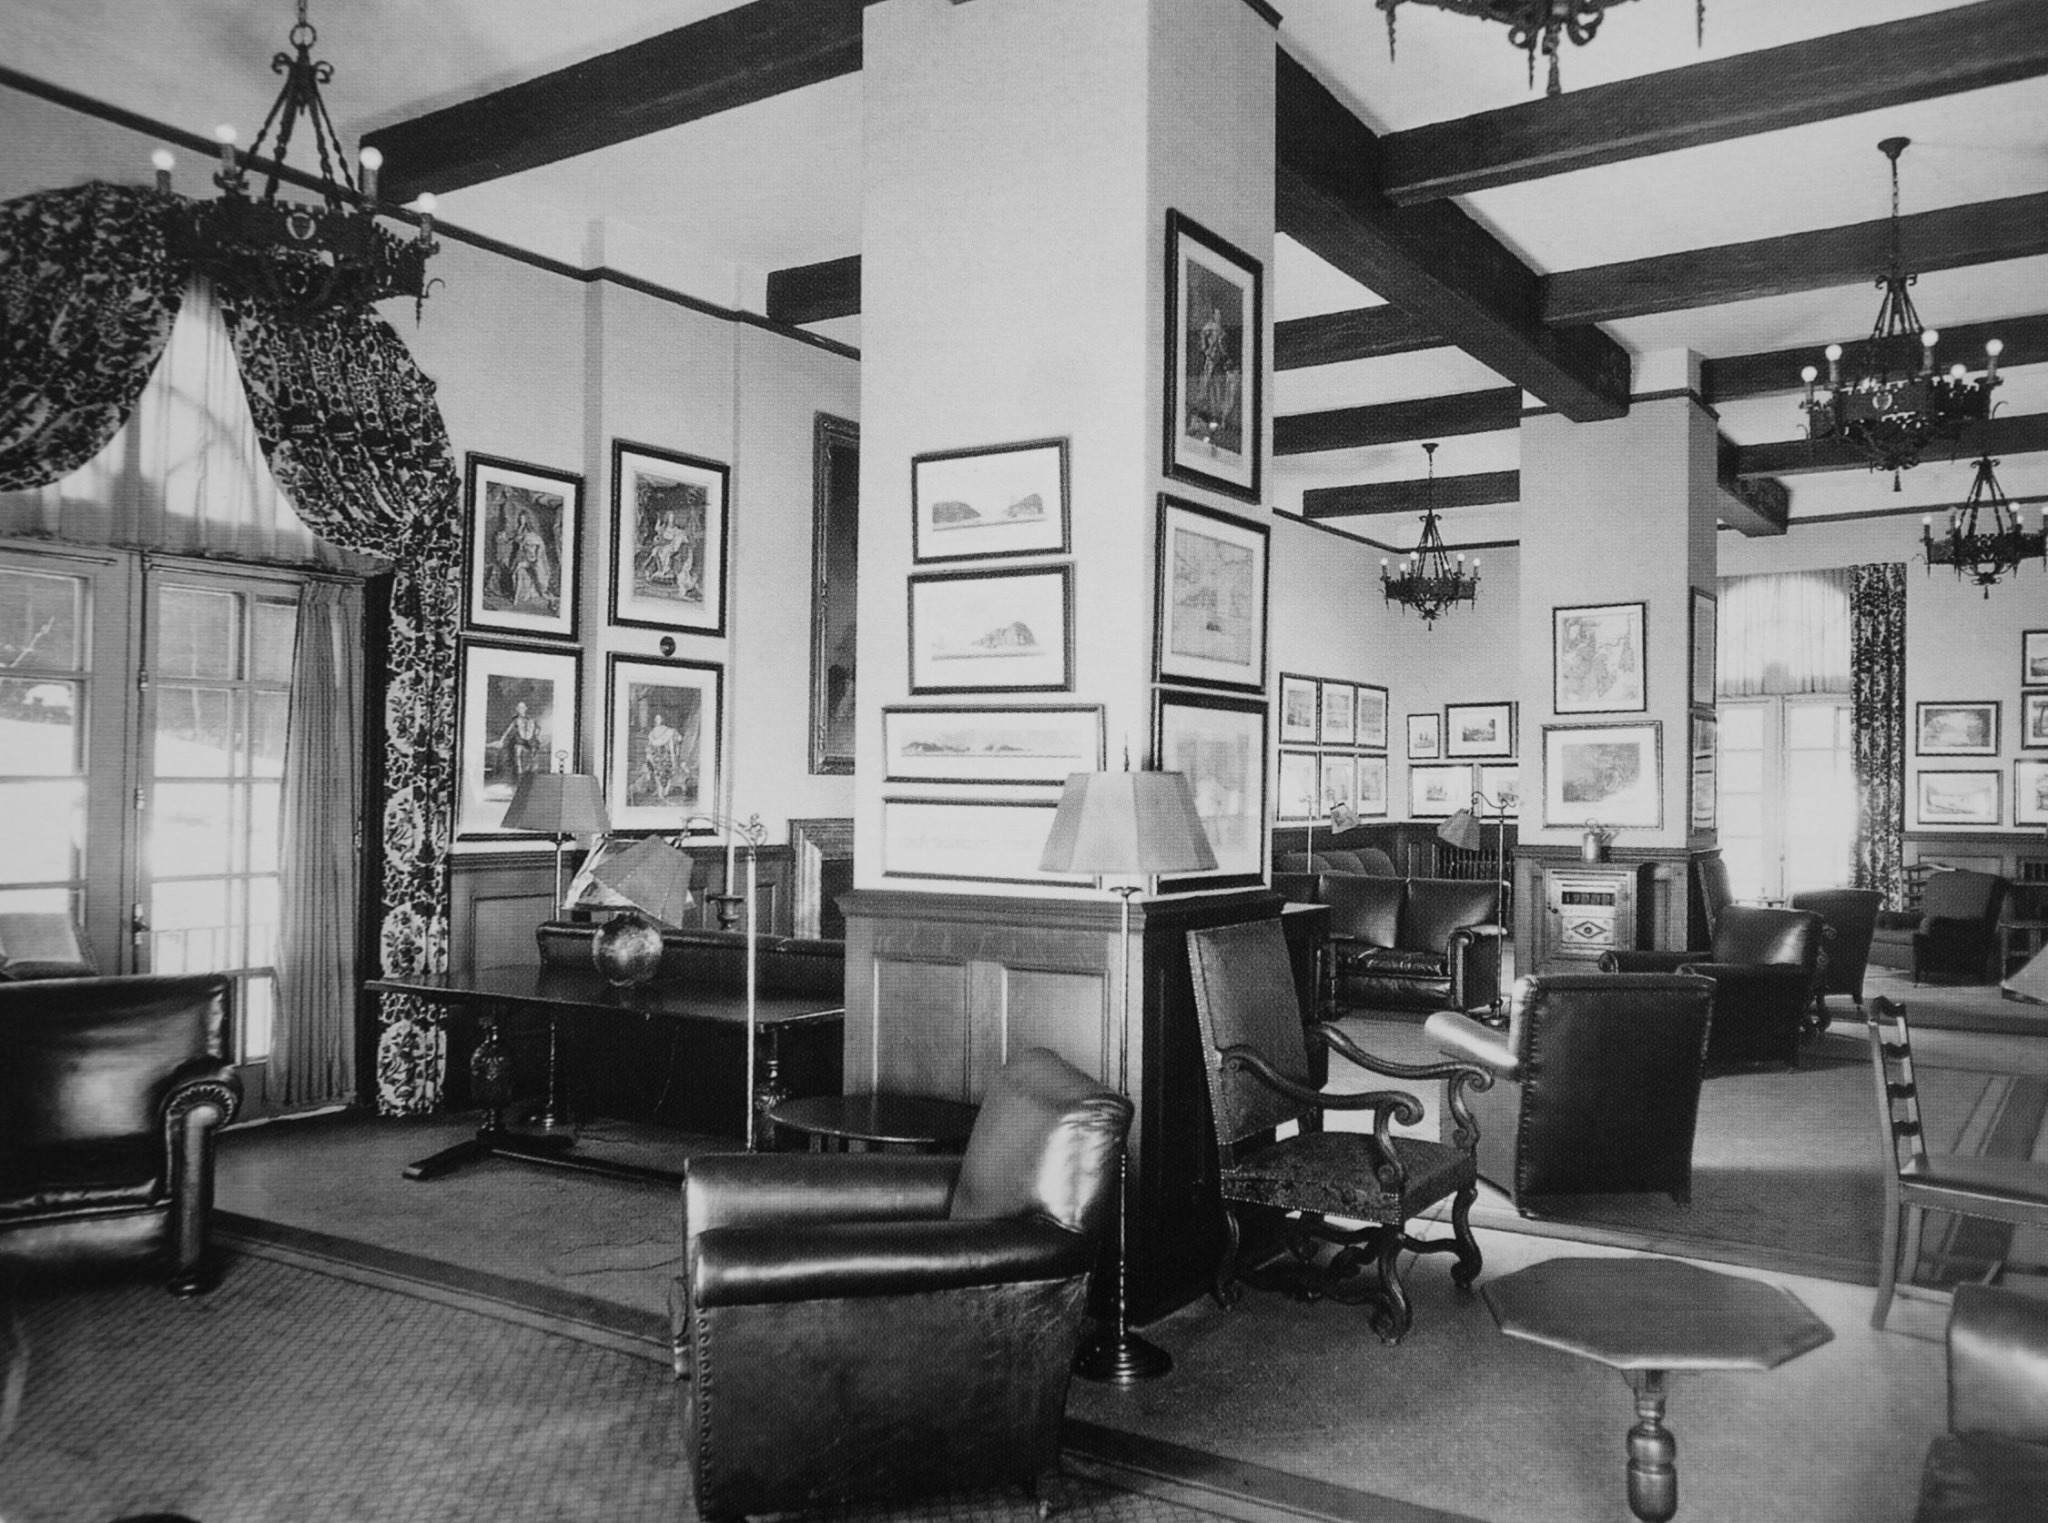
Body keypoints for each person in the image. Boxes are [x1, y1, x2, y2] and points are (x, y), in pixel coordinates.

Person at [511, 509, 552, 608]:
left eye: (524, 519)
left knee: (533, 573)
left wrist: (533, 558)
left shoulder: (533, 534)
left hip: (533, 558)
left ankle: (531, 594)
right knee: (517, 571)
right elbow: (518, 540)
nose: (522, 521)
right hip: (523, 557)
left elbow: (537, 550)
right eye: (520, 519)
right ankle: (519, 596)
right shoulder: (521, 530)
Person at [495, 700, 542, 781]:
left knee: (534, 749)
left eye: (523, 708)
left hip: (530, 738)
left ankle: (530, 767)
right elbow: (508, 730)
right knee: (517, 750)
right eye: (520, 708)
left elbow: (538, 728)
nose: (521, 709)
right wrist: (501, 740)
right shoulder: (515, 720)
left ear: (526, 708)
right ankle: (519, 769)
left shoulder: (531, 719)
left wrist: (535, 735)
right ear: (517, 709)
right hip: (520, 738)